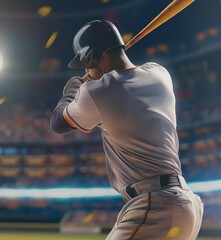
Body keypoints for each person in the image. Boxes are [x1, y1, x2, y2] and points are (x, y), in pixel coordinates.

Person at [50, 20, 203, 239]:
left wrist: (72, 87)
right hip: (185, 204)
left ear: (91, 57)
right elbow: (129, 76)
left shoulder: (98, 91)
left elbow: (58, 122)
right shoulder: (160, 74)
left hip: (155, 205)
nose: (86, 71)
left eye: (86, 64)